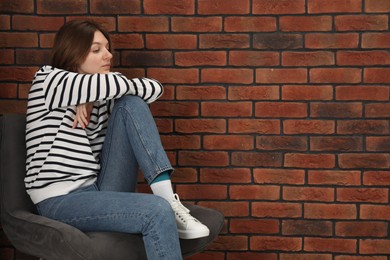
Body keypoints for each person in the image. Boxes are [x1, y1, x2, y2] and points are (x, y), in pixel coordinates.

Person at [24, 19, 209, 260]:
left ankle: (168, 199)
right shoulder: (48, 81)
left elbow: (155, 88)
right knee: (155, 211)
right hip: (60, 200)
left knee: (132, 103)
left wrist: (89, 95)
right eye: (97, 49)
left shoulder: (104, 94)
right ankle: (165, 206)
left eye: (108, 48)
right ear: (73, 53)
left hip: (98, 187)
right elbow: (117, 82)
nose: (108, 55)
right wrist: (88, 92)